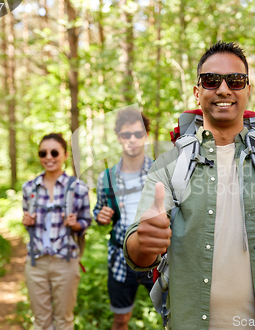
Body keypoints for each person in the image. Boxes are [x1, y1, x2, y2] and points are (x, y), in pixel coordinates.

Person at [123, 41, 255, 330]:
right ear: (197, 92)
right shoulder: (168, 165)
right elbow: (139, 251)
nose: (224, 89)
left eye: (236, 81)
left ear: (248, 90)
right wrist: (145, 241)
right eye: (211, 80)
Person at [22, 133, 92, 330]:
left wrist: (76, 224)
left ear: (65, 155)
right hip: (36, 263)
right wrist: (26, 221)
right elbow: (30, 226)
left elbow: (86, 222)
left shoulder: (78, 188)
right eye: (43, 153)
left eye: (54, 152)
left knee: (64, 320)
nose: (49, 157)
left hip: (66, 262)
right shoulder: (29, 188)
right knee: (40, 322)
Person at [93, 109, 154, 330]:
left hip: (156, 257)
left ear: (146, 136)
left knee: (172, 316)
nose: (132, 140)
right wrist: (100, 217)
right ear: (119, 137)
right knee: (120, 320)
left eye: (138, 134)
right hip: (119, 258)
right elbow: (99, 212)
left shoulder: (160, 171)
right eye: (126, 135)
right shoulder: (107, 177)